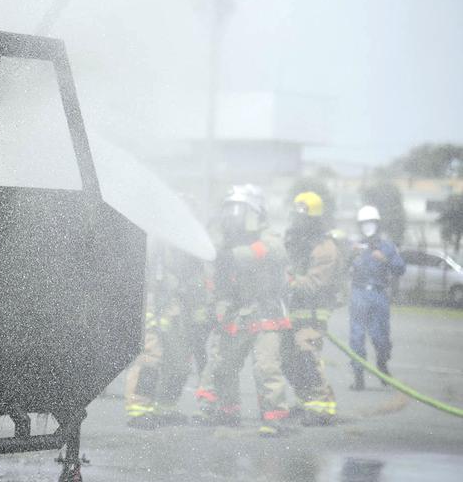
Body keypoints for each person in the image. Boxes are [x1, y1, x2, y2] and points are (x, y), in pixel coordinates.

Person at [195, 185, 292, 437]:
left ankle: (274, 418)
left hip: (265, 311)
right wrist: (215, 306)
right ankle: (227, 411)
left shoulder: (268, 236)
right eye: (231, 209)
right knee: (223, 364)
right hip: (234, 312)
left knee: (266, 367)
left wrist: (234, 255)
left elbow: (273, 251)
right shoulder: (224, 241)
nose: (234, 215)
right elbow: (215, 276)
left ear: (255, 212)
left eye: (240, 210)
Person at [124, 240, 208, 428]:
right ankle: (139, 410)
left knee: (179, 364)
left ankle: (165, 407)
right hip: (152, 305)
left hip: (177, 310)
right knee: (149, 360)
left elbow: (196, 279)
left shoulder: (187, 247)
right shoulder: (153, 243)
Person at [283, 191, 341, 425]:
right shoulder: (293, 243)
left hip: (312, 315)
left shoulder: (325, 249)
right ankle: (306, 400)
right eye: (295, 217)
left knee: (307, 357)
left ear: (314, 220)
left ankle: (322, 407)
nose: (297, 223)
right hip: (292, 313)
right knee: (287, 359)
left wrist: (286, 282)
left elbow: (313, 284)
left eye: (303, 219)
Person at [348, 205, 406, 390]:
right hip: (358, 293)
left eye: (371, 222)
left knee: (381, 337)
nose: (367, 226)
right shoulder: (355, 246)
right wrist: (350, 255)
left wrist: (385, 259)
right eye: (364, 223)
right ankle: (358, 376)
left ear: (377, 224)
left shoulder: (387, 247)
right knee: (356, 336)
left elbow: (400, 268)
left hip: (378, 294)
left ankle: (382, 365)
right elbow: (341, 266)